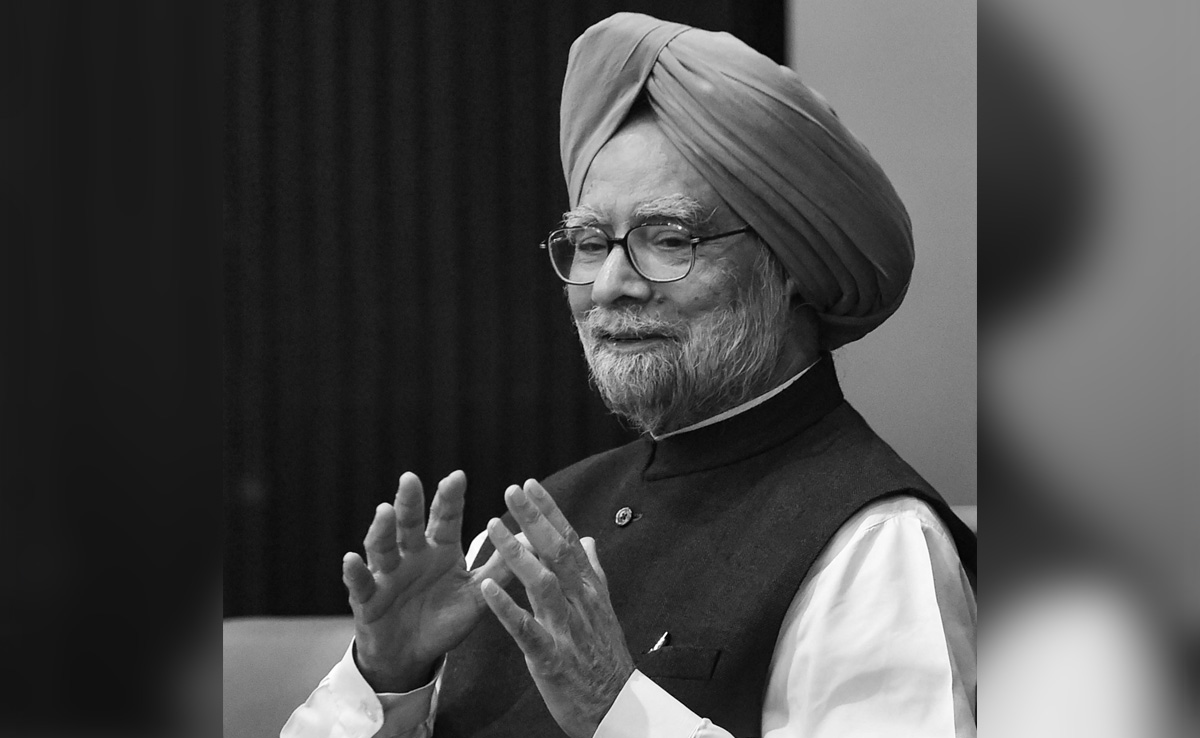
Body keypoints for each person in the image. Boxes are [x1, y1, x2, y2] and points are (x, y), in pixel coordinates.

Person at [283, 12, 976, 738]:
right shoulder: (533, 526)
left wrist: (615, 708)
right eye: (589, 243)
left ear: (792, 268)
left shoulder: (877, 542)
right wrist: (389, 679)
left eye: (669, 238)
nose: (611, 285)